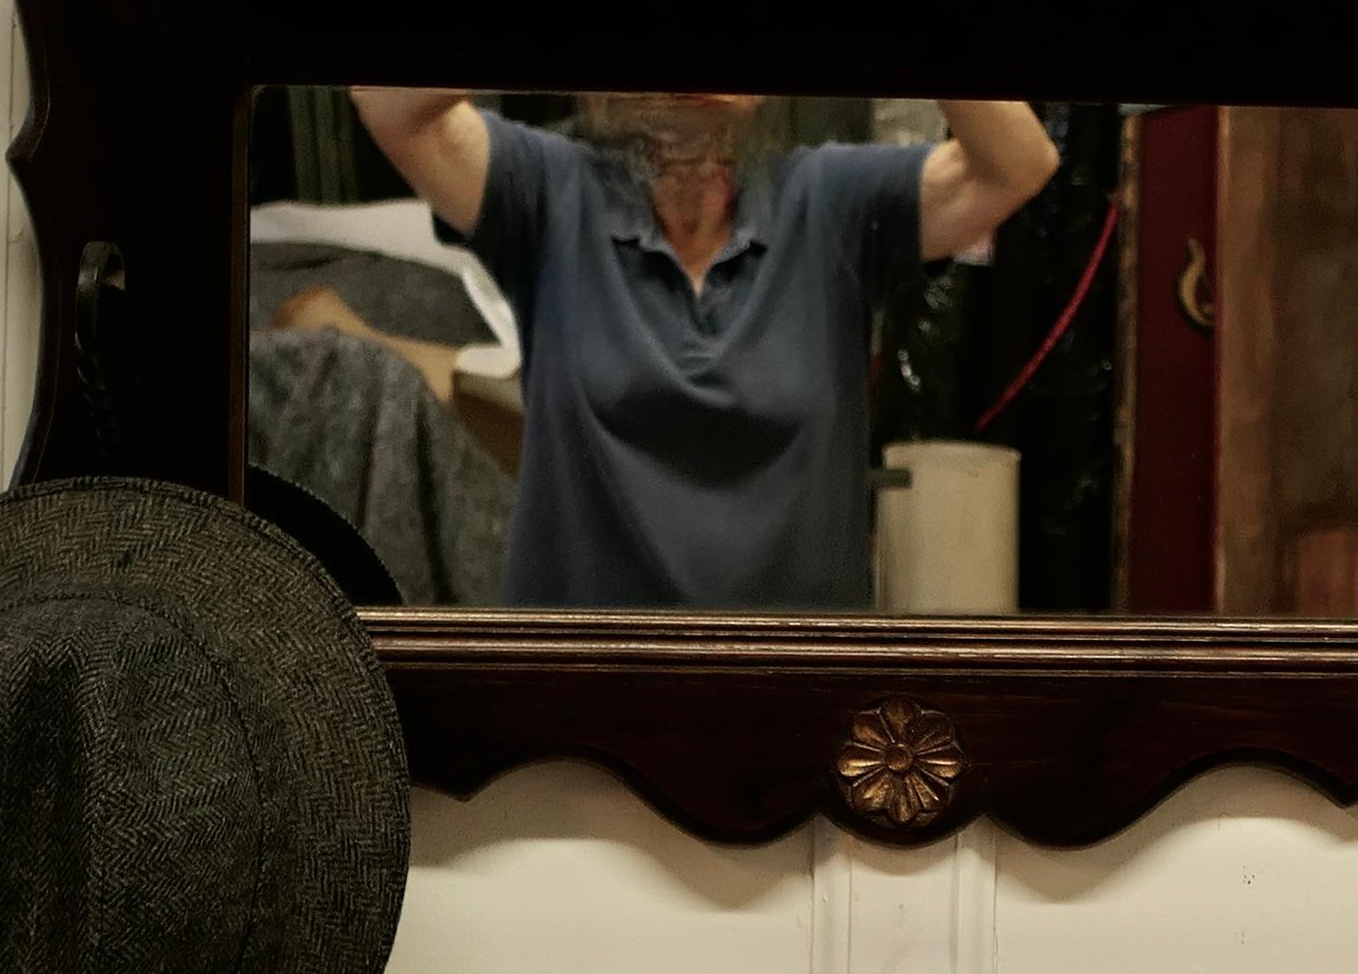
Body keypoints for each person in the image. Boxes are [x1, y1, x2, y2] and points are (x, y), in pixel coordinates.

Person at [345, 89, 1057, 608]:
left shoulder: (830, 199)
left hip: (794, 690)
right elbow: (386, 99)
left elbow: (1017, 163)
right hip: (579, 691)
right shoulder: (551, 191)